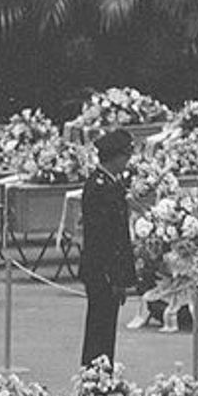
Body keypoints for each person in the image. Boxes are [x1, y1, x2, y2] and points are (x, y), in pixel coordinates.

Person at [79, 130, 138, 365]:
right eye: (125, 156)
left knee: (106, 329)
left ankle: (103, 372)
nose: (127, 162)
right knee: (99, 328)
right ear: (115, 157)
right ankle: (94, 373)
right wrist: (113, 276)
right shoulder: (100, 187)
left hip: (109, 270)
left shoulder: (111, 183)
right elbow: (103, 238)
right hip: (102, 270)